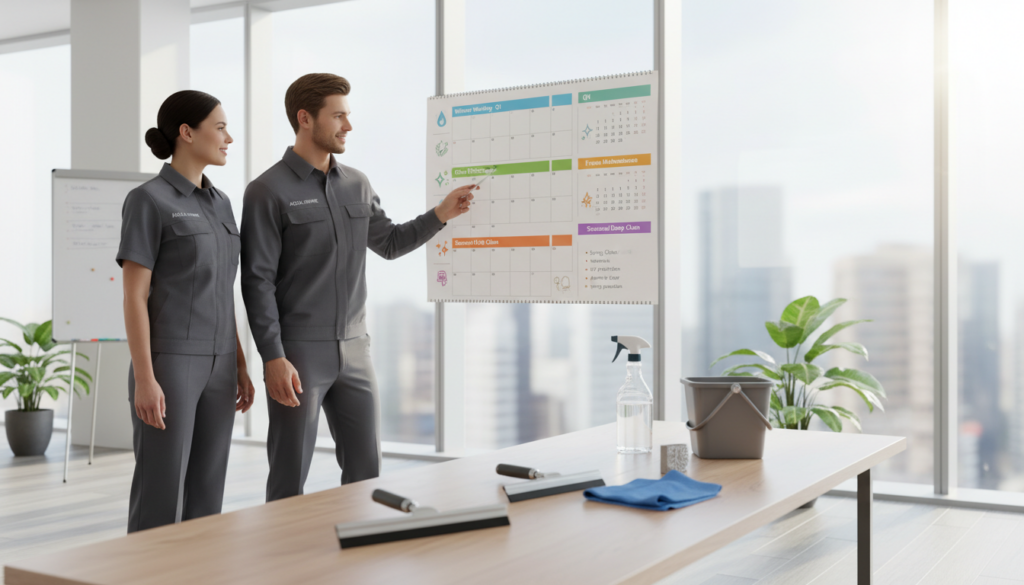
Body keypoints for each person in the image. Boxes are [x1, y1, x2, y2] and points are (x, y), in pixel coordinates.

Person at [240, 73, 472, 501]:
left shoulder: (357, 184)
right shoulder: (266, 191)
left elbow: (389, 242)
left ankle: (358, 555)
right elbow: (257, 281)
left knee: (368, 469)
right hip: (299, 352)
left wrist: (440, 215)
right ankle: (283, 562)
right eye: (339, 116)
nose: (348, 126)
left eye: (348, 116)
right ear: (305, 118)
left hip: (355, 349)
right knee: (290, 472)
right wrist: (273, 357)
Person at [117, 90, 256, 532]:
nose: (228, 137)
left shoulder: (222, 204)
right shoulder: (149, 200)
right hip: (170, 363)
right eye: (220, 127)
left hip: (220, 365)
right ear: (186, 132)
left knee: (207, 497)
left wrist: (238, 363)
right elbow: (134, 296)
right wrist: (145, 378)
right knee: (161, 493)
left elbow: (223, 289)